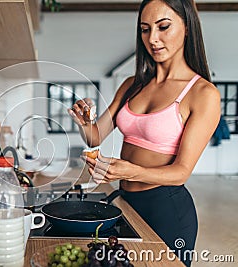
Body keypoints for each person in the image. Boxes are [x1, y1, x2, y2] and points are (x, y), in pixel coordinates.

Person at [67, 0, 220, 266]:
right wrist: (84, 122)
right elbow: (95, 137)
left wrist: (129, 170)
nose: (153, 39)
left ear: (187, 27)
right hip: (126, 201)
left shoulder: (202, 94)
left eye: (163, 27)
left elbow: (181, 172)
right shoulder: (132, 85)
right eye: (145, 29)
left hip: (167, 210)